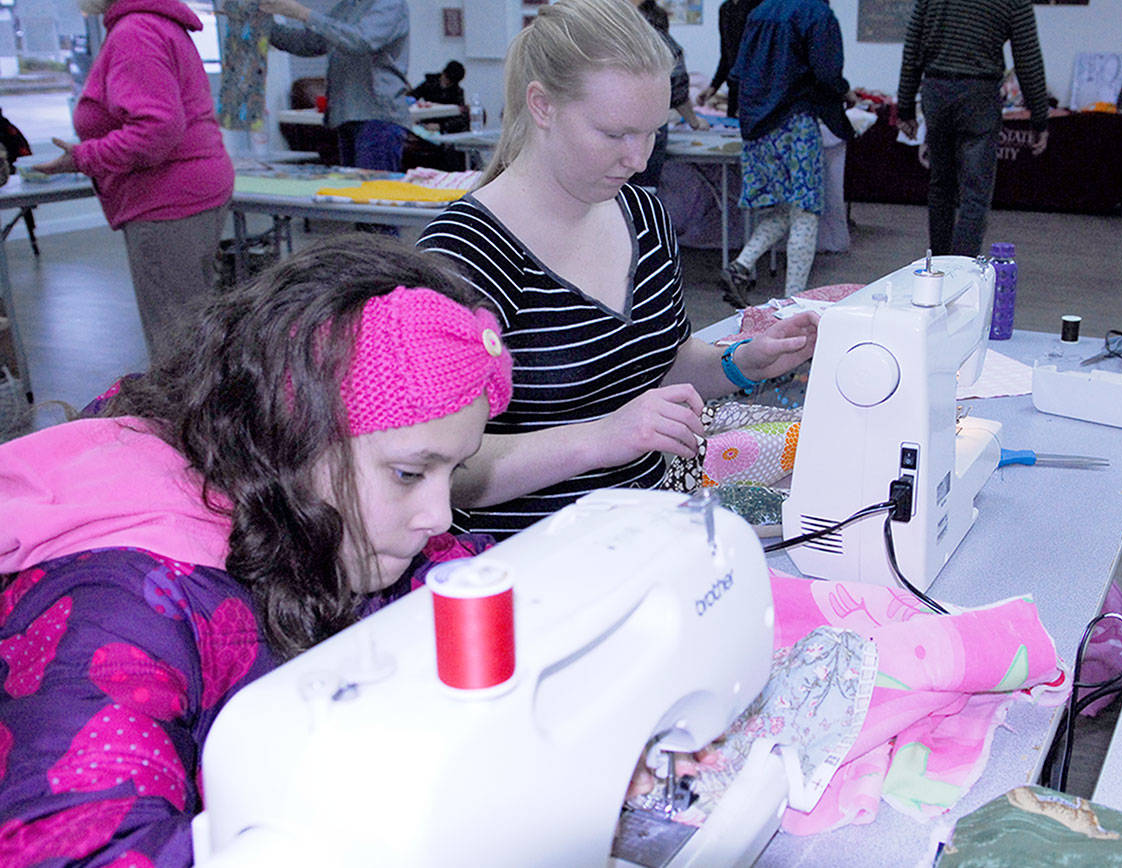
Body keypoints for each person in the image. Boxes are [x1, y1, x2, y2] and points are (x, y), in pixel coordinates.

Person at [0, 236, 512, 863]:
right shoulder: (119, 603)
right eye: (410, 473)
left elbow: (455, 581)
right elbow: (77, 849)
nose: (438, 517)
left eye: (453, 472)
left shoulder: (312, 507)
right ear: (293, 433)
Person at [417, 0, 818, 540]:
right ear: (543, 106)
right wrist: (601, 438)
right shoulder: (466, 253)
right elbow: (444, 471)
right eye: (614, 134)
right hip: (530, 555)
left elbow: (659, 366)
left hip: (650, 528)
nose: (638, 157)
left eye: (653, 132)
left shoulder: (644, 215)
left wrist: (743, 362)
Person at [33, 0, 233, 363]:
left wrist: (83, 158)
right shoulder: (154, 23)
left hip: (168, 200)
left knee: (177, 349)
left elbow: (157, 129)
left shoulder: (135, 31)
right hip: (192, 191)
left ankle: (183, 419)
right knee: (191, 332)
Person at [719, 0, 857, 306]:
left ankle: (741, 266)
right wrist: (844, 92)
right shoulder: (816, 13)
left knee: (783, 209)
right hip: (796, 123)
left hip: (758, 126)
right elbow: (826, 73)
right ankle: (794, 302)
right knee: (806, 212)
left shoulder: (760, 11)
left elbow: (737, 72)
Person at [895, 0, 1049, 257]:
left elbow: (912, 47)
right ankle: (962, 273)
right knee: (975, 193)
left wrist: (905, 108)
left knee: (941, 187)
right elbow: (1027, 57)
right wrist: (1039, 118)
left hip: (936, 90)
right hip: (980, 94)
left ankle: (938, 268)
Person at [257, 0, 410, 172]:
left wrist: (303, 13)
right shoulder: (348, 6)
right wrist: (263, 26)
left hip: (378, 117)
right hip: (347, 117)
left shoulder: (390, 3)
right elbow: (311, 42)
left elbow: (361, 40)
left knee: (372, 193)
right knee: (352, 194)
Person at [629, 0, 710, 191]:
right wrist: (693, 121)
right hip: (646, 130)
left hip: (608, 130)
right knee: (642, 196)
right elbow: (678, 86)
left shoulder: (607, 34)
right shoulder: (660, 41)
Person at [695, 0, 763, 118]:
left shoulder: (760, 6)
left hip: (757, 88)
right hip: (735, 88)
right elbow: (727, 54)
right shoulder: (725, 9)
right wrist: (713, 87)